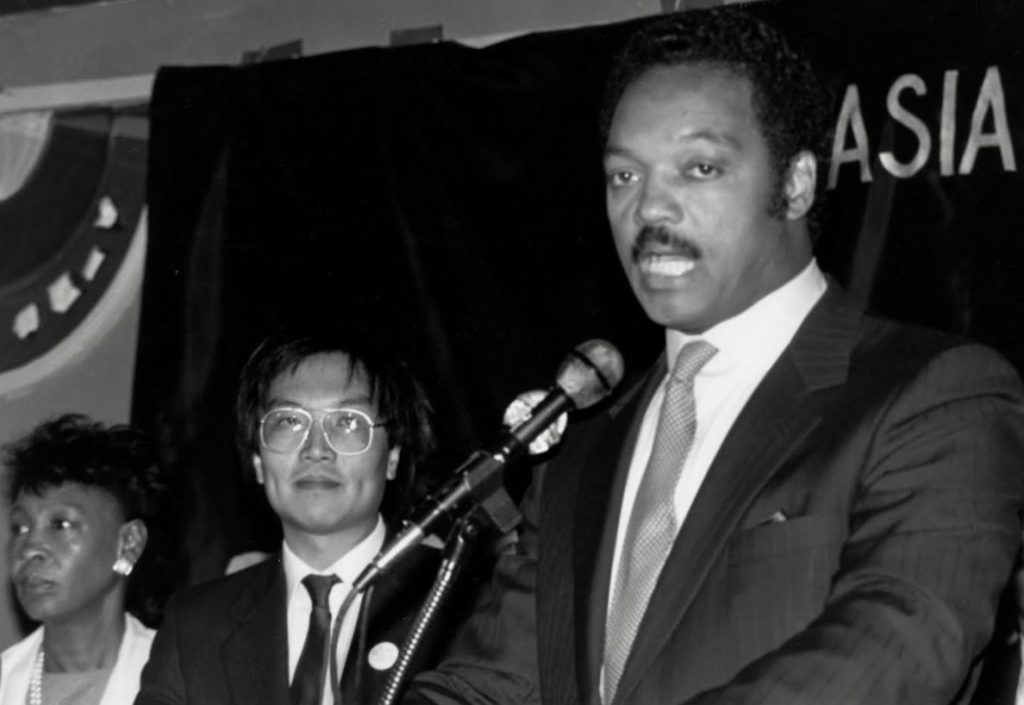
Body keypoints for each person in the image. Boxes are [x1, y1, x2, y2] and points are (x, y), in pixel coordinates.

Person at [404, 7, 1024, 705]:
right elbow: (490, 683)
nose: (650, 211)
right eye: (624, 177)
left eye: (698, 168)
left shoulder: (937, 396)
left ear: (795, 184)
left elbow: (897, 642)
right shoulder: (582, 451)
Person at [136, 334, 451, 705]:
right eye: (289, 421)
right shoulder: (195, 623)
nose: (316, 450)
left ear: (394, 455)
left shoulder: (462, 602)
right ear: (257, 460)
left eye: (348, 422)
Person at [1, 414, 173, 705]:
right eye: (20, 527)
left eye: (60, 524)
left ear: (129, 543)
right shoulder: (6, 680)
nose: (29, 548)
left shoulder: (185, 680)